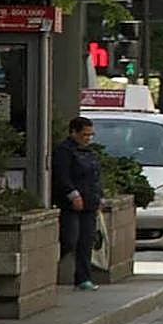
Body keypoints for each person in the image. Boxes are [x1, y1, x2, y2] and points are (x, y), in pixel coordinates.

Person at [52, 116, 103, 291]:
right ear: (74, 132)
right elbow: (62, 176)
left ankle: (83, 278)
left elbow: (95, 177)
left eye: (91, 135)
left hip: (89, 202)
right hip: (70, 203)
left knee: (86, 241)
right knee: (69, 239)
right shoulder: (64, 151)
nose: (88, 138)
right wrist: (73, 194)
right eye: (85, 135)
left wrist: (98, 197)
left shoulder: (89, 152)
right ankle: (51, 267)